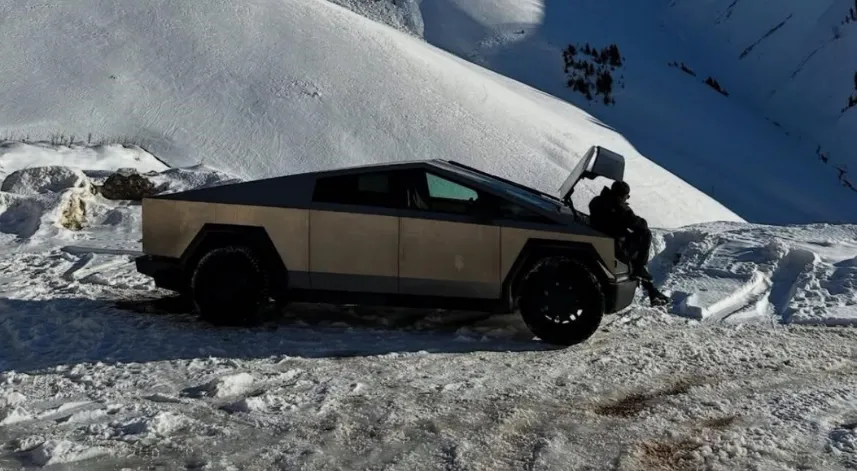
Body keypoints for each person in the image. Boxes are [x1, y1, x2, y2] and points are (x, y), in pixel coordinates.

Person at [588, 180, 669, 306]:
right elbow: (638, 224)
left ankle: (652, 292)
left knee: (634, 258)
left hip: (602, 238)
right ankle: (646, 278)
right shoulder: (618, 207)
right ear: (622, 195)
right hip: (615, 245)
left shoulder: (597, 201)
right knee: (645, 236)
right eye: (627, 196)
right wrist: (623, 206)